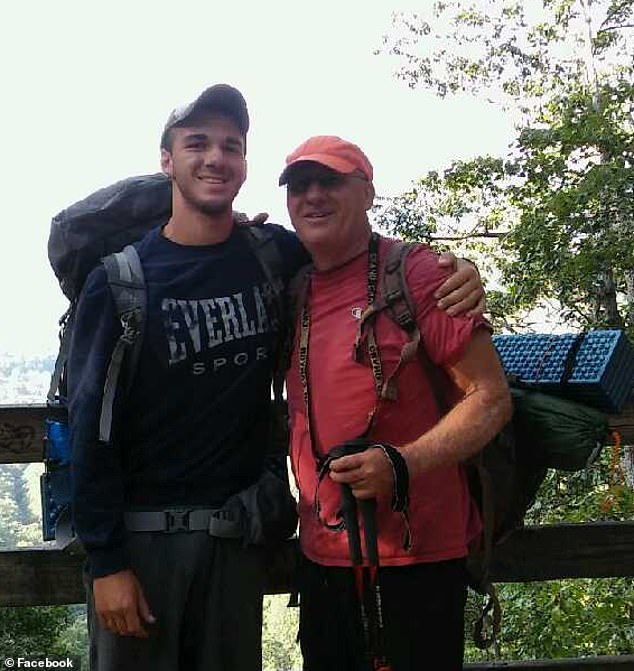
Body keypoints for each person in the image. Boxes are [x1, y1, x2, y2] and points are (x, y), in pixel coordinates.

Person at [69, 85, 485, 671]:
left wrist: (458, 269)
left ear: (245, 164)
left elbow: (361, 252)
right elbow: (91, 427)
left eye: (230, 146)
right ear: (166, 159)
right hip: (143, 545)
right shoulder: (119, 283)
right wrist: (105, 561)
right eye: (197, 144)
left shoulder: (273, 256)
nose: (215, 158)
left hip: (238, 541)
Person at [279, 135, 513, 671]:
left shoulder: (420, 275)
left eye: (330, 181)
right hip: (322, 556)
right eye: (299, 185)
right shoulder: (290, 283)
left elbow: (491, 398)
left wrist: (402, 464)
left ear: (367, 192)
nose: (312, 195)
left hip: (418, 556)